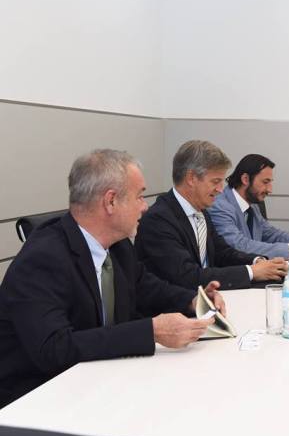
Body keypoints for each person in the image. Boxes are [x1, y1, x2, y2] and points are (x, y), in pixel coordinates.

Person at [0, 149, 223, 408]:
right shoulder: (42, 259)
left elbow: (145, 286)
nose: (145, 206)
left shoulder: (118, 246)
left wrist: (193, 300)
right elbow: (54, 349)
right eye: (139, 196)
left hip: (99, 381)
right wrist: (151, 332)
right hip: (36, 400)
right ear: (111, 201)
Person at [135, 141, 287, 291]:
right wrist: (251, 272)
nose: (220, 189)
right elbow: (188, 276)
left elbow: (222, 252)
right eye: (215, 181)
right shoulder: (158, 220)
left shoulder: (201, 211)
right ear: (191, 178)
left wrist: (257, 261)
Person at [209, 154, 289, 259]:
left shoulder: (252, 205)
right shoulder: (219, 206)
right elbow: (239, 245)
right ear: (245, 179)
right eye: (265, 182)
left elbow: (270, 233)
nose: (270, 189)